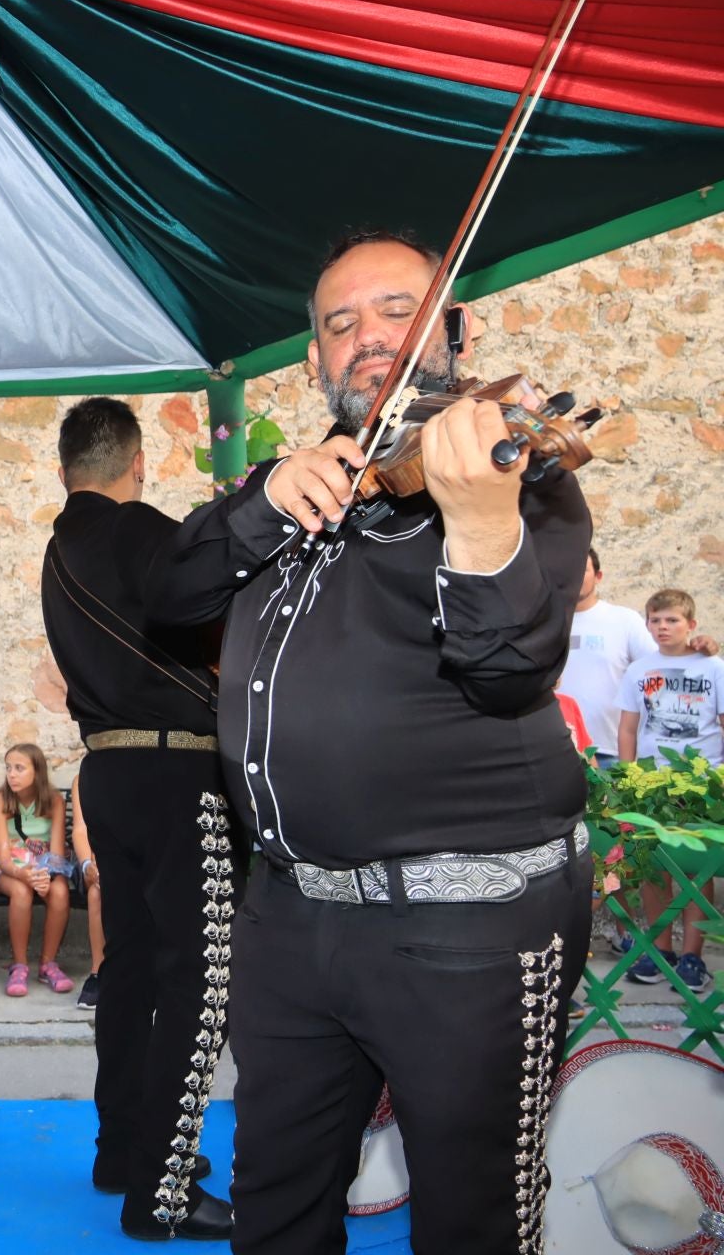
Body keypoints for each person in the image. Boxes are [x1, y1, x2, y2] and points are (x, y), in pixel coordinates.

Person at [148, 230, 594, 1254]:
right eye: (340, 324)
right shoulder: (294, 475)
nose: (369, 338)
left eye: (398, 310)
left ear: (456, 328)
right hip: (294, 916)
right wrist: (261, 503)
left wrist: (479, 526)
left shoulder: (510, 473)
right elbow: (172, 595)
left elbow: (511, 670)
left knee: (471, 1221)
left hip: (469, 929)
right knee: (276, 1207)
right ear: (312, 360)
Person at [40, 395, 229, 1240]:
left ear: (64, 468)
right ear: (138, 461)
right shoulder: (152, 531)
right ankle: (163, 1187)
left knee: (130, 966)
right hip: (181, 766)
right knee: (200, 976)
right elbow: (214, 625)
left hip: (107, 768)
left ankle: (123, 1147)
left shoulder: (58, 549)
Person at [616, 588, 723, 992]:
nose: (663, 627)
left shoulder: (714, 667)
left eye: (672, 620)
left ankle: (693, 956)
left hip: (702, 785)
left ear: (691, 625)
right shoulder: (640, 669)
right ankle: (659, 952)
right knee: (653, 868)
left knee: (698, 869)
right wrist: (628, 781)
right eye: (655, 620)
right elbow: (628, 728)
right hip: (652, 786)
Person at [561, 549, 661, 767]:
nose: (575, 575)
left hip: (609, 750)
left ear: (598, 576)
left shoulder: (624, 620)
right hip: (557, 747)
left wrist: (695, 649)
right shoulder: (546, 623)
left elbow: (660, 667)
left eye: (583, 569)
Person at [0, 743, 73, 997]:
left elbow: (57, 853)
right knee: (22, 892)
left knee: (59, 892)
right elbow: (3, 857)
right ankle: (20, 965)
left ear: (37, 772)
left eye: (19, 768)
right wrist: (24, 875)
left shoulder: (54, 801)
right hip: (10, 868)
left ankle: (48, 964)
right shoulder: (1, 801)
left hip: (44, 866)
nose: (11, 774)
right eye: (8, 768)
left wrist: (45, 875)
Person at [67, 773, 106, 1010]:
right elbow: (80, 830)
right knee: (97, 892)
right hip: (96, 859)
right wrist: (87, 865)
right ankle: (97, 973)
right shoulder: (85, 777)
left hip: (135, 860)